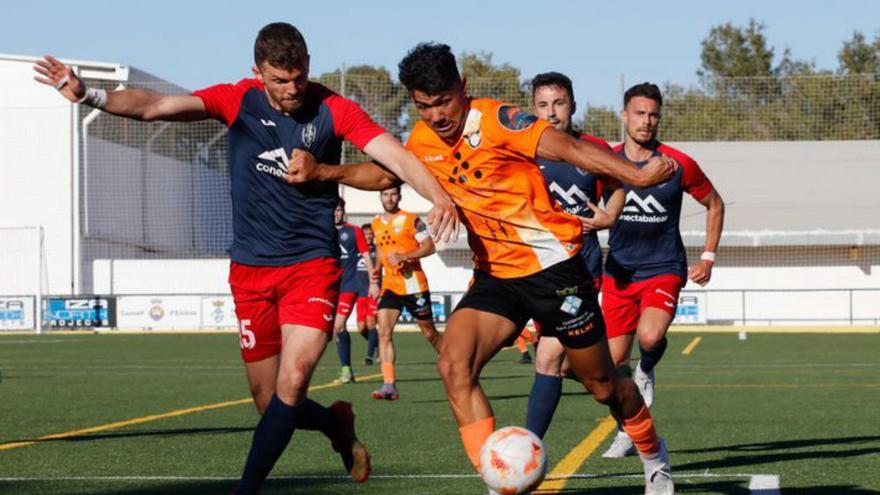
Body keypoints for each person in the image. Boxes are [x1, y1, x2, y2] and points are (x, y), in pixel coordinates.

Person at [34, 23, 458, 495]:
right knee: (268, 402)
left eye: (299, 77)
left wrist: (438, 197)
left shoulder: (333, 108)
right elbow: (154, 107)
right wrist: (88, 94)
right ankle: (337, 426)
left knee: (293, 382)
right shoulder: (236, 100)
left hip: (311, 266)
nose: (292, 89)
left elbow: (394, 159)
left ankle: (245, 489)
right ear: (257, 73)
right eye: (280, 81)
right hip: (251, 272)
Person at [600, 82, 725, 459]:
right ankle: (627, 429)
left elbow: (715, 204)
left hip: (663, 267)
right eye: (639, 113)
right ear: (624, 116)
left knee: (651, 337)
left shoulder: (678, 163)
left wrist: (707, 256)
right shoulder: (605, 161)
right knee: (609, 372)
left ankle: (648, 368)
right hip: (618, 271)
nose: (647, 121)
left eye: (653, 114)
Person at [521, 71, 625, 440]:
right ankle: (627, 400)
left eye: (559, 103)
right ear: (533, 109)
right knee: (580, 369)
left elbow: (618, 186)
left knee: (548, 357)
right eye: (543, 105)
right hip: (536, 268)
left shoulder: (593, 147)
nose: (551, 113)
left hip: (581, 268)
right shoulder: (523, 151)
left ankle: (527, 450)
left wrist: (608, 217)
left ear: (573, 105)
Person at [369, 185, 443, 400]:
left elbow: (430, 247)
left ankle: (455, 365)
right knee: (383, 331)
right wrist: (376, 270)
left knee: (429, 334)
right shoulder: (375, 224)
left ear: (399, 196)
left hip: (413, 286)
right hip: (390, 286)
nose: (389, 198)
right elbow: (382, 251)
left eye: (393, 194)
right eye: (385, 194)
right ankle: (389, 384)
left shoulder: (413, 220)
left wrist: (405, 256)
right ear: (380, 196)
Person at [332, 198, 379, 384]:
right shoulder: (322, 231)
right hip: (329, 287)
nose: (336, 213)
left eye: (338, 210)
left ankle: (346, 370)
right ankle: (347, 370)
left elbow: (367, 257)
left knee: (339, 325)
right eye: (333, 210)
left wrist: (373, 282)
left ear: (343, 211)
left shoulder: (353, 231)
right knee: (332, 330)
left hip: (349, 286)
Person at [356, 223, 381, 365]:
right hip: (360, 294)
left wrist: (380, 289)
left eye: (370, 234)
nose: (368, 236)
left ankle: (369, 356)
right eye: (365, 234)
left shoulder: (378, 250)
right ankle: (378, 344)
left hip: (374, 293)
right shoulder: (356, 250)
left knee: (371, 323)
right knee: (361, 327)